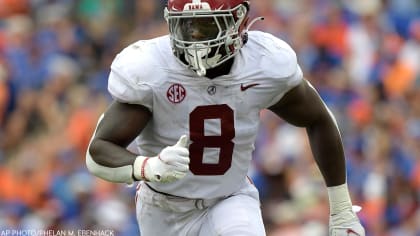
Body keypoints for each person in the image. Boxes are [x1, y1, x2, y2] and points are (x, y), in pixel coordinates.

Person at [85, 0, 366, 235]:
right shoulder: (152, 70)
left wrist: (341, 209)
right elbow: (98, 152)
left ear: (238, 21)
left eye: (206, 25)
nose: (193, 36)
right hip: (163, 210)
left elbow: (318, 119)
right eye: (186, 25)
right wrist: (149, 166)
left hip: (229, 199)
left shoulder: (264, 65)